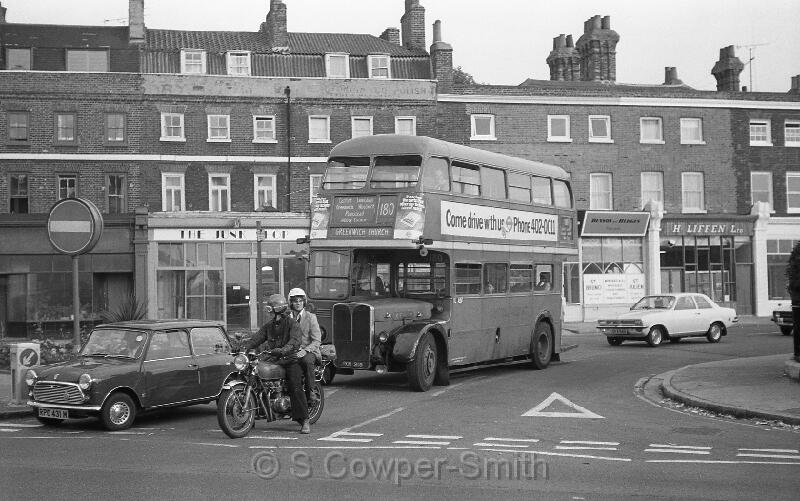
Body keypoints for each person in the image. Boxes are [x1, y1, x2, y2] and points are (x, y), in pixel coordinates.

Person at [244, 293, 310, 434]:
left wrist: (282, 350)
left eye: (271, 307)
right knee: (255, 376)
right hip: (274, 359)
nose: (268, 309)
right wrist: (244, 346)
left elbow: (294, 342)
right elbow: (257, 338)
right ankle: (253, 414)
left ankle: (304, 420)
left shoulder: (293, 324)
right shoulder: (269, 326)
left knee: (295, 385)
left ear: (278, 308)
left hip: (291, 359)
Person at [287, 288, 322, 407]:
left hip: (309, 350)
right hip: (290, 351)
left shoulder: (311, 317)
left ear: (304, 302)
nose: (298, 303)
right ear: (290, 302)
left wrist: (305, 350)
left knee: (307, 361)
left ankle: (311, 391)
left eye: (300, 300)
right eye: (295, 301)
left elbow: (317, 340)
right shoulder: (287, 318)